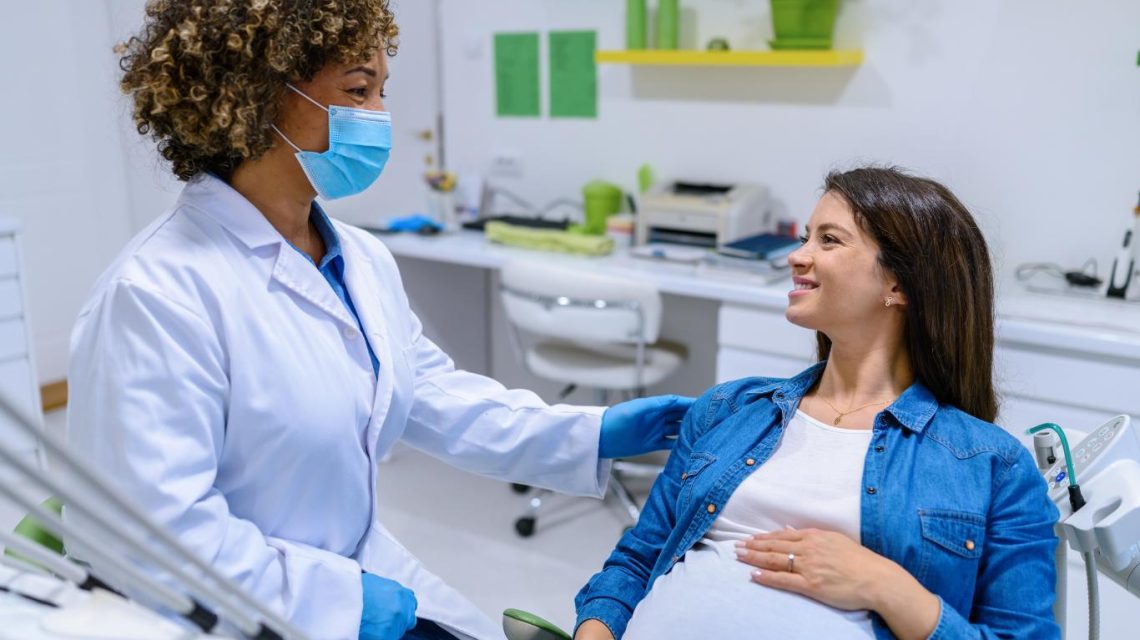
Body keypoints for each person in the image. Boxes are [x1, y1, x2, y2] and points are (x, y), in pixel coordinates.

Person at [64, 2, 692, 640]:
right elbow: (148, 538)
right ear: (255, 96)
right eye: (357, 90)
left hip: (355, 565)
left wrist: (594, 431)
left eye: (381, 92)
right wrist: (334, 604)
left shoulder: (359, 259)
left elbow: (429, 394)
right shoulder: (156, 295)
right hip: (239, 610)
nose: (378, 117)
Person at [573, 167, 1060, 639]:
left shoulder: (994, 467)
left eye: (828, 240)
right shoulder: (730, 408)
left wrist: (887, 587)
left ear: (899, 285)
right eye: (807, 236)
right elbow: (636, 561)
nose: (797, 255)